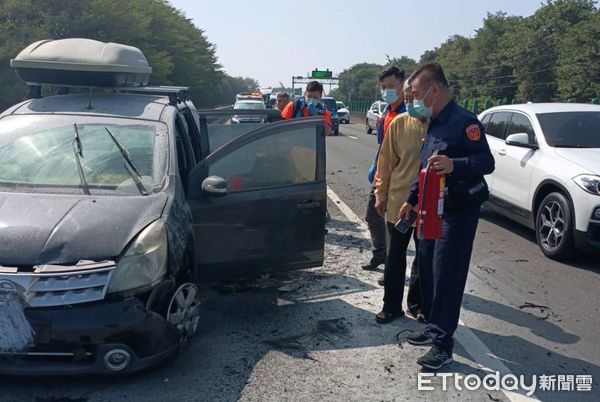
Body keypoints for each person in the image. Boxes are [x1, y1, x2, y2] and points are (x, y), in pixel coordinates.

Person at [397, 63, 494, 370]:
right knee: (426, 267)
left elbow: (486, 161)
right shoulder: (433, 122)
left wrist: (456, 164)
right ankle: (431, 324)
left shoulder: (465, 122)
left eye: (415, 93)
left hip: (457, 211)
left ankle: (443, 345)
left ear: (433, 89)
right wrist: (410, 201)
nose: (413, 99)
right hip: (429, 209)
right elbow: (425, 167)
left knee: (446, 274)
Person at [373, 81, 426, 323]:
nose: (411, 104)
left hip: (429, 209)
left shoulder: (442, 127)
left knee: (424, 260)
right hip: (399, 205)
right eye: (408, 99)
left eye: (415, 97)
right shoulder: (400, 124)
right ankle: (391, 305)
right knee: (395, 257)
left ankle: (417, 305)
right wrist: (380, 194)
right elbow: (385, 163)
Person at [362, 66, 406, 280]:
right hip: (382, 173)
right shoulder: (387, 113)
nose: (387, 91)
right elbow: (383, 147)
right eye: (383, 87)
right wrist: (376, 165)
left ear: (403, 85)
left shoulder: (408, 114)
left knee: (394, 225)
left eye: (391, 86)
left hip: (398, 178)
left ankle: (392, 267)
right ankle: (380, 254)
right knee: (372, 216)